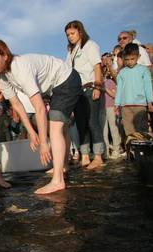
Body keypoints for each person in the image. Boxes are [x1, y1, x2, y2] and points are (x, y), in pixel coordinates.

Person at [0, 39, 82, 194]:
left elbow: (40, 108)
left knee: (54, 127)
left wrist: (43, 142)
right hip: (54, 87)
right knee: (62, 128)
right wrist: (31, 132)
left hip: (66, 79)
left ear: (5, 56)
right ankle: (63, 166)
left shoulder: (19, 67)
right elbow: (17, 105)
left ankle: (58, 180)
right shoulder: (1, 77)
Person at [65, 20, 104, 169]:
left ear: (80, 32)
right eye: (68, 34)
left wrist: (98, 86)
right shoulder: (71, 51)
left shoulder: (90, 45)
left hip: (90, 87)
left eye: (72, 33)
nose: (70, 36)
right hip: (77, 92)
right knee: (81, 124)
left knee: (92, 122)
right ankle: (86, 155)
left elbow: (97, 66)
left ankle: (99, 156)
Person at [115, 43, 153, 136]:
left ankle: (144, 149)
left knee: (142, 129)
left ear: (138, 56)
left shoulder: (144, 70)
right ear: (124, 58)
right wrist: (117, 103)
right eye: (127, 59)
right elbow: (120, 89)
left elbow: (148, 86)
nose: (129, 62)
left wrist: (149, 102)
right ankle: (132, 149)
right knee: (129, 130)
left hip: (140, 105)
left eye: (132, 59)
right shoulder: (122, 73)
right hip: (125, 106)